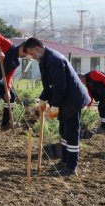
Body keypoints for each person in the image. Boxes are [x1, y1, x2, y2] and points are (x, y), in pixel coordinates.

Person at [23, 37, 91, 176]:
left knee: (71, 134)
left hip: (72, 100)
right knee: (64, 132)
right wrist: (42, 99)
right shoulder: (44, 59)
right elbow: (49, 84)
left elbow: (60, 86)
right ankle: (65, 161)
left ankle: (71, 167)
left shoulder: (54, 60)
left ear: (37, 48)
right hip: (65, 99)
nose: (31, 57)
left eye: (31, 53)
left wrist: (55, 106)